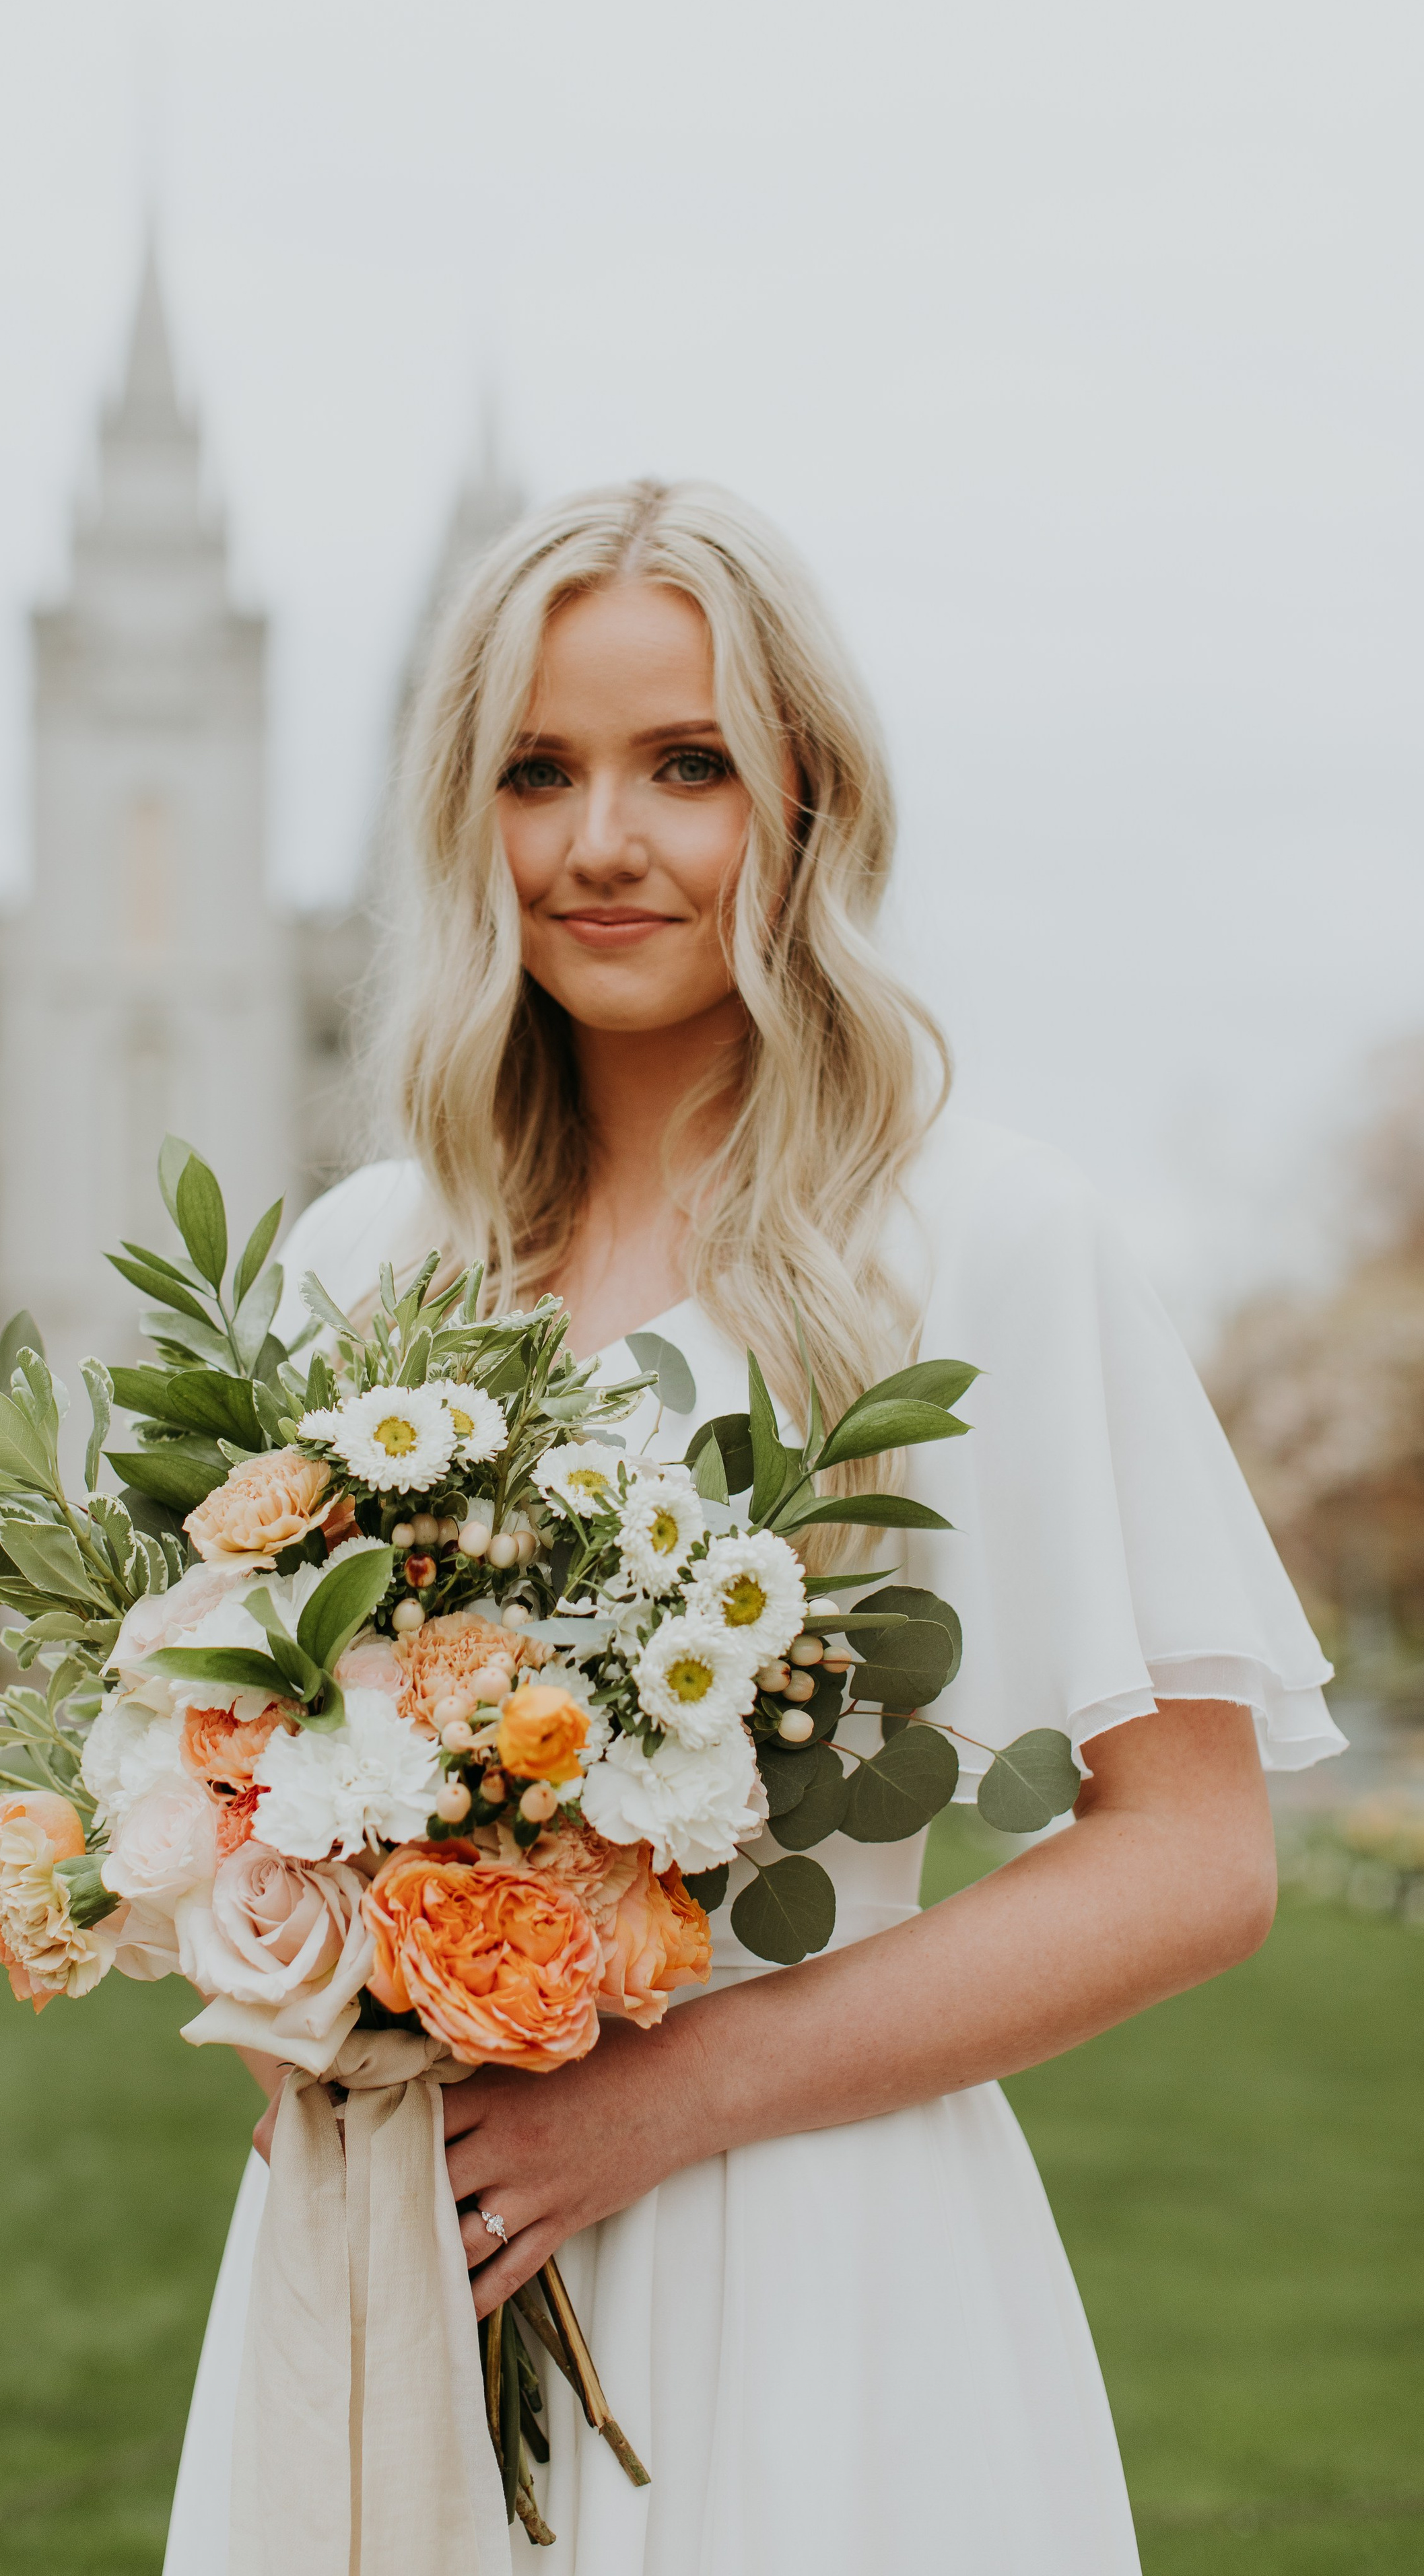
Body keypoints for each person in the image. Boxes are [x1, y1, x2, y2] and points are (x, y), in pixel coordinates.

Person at [162, 480, 1342, 2575]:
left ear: (806, 805)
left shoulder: (979, 1240)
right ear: (465, 817)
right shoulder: (362, 1266)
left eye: (685, 765)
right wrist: (300, 1989)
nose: (604, 841)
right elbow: (236, 1781)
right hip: (397, 2259)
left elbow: (1193, 1856)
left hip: (817, 2260)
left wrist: (666, 2098)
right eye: (540, 770)